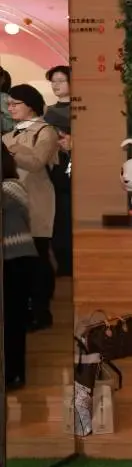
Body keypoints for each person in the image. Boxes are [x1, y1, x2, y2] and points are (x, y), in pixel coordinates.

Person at [2, 84, 59, 331]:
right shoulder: (8, 134)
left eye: (15, 104)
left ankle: (40, 311)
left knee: (38, 258)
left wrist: (11, 152)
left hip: (36, 203)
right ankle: (21, 310)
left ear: (31, 106)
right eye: (9, 104)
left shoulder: (46, 131)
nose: (10, 108)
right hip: (10, 205)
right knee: (17, 262)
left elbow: (37, 162)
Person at [2, 145, 36, 390]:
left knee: (14, 319)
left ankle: (14, 373)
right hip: (9, 261)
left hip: (17, 260)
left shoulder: (12, 187)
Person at [43, 65, 73, 277]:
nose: (56, 85)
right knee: (59, 218)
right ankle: (62, 266)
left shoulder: (81, 109)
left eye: (61, 80)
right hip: (54, 170)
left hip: (73, 169)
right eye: (53, 81)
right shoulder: (48, 112)